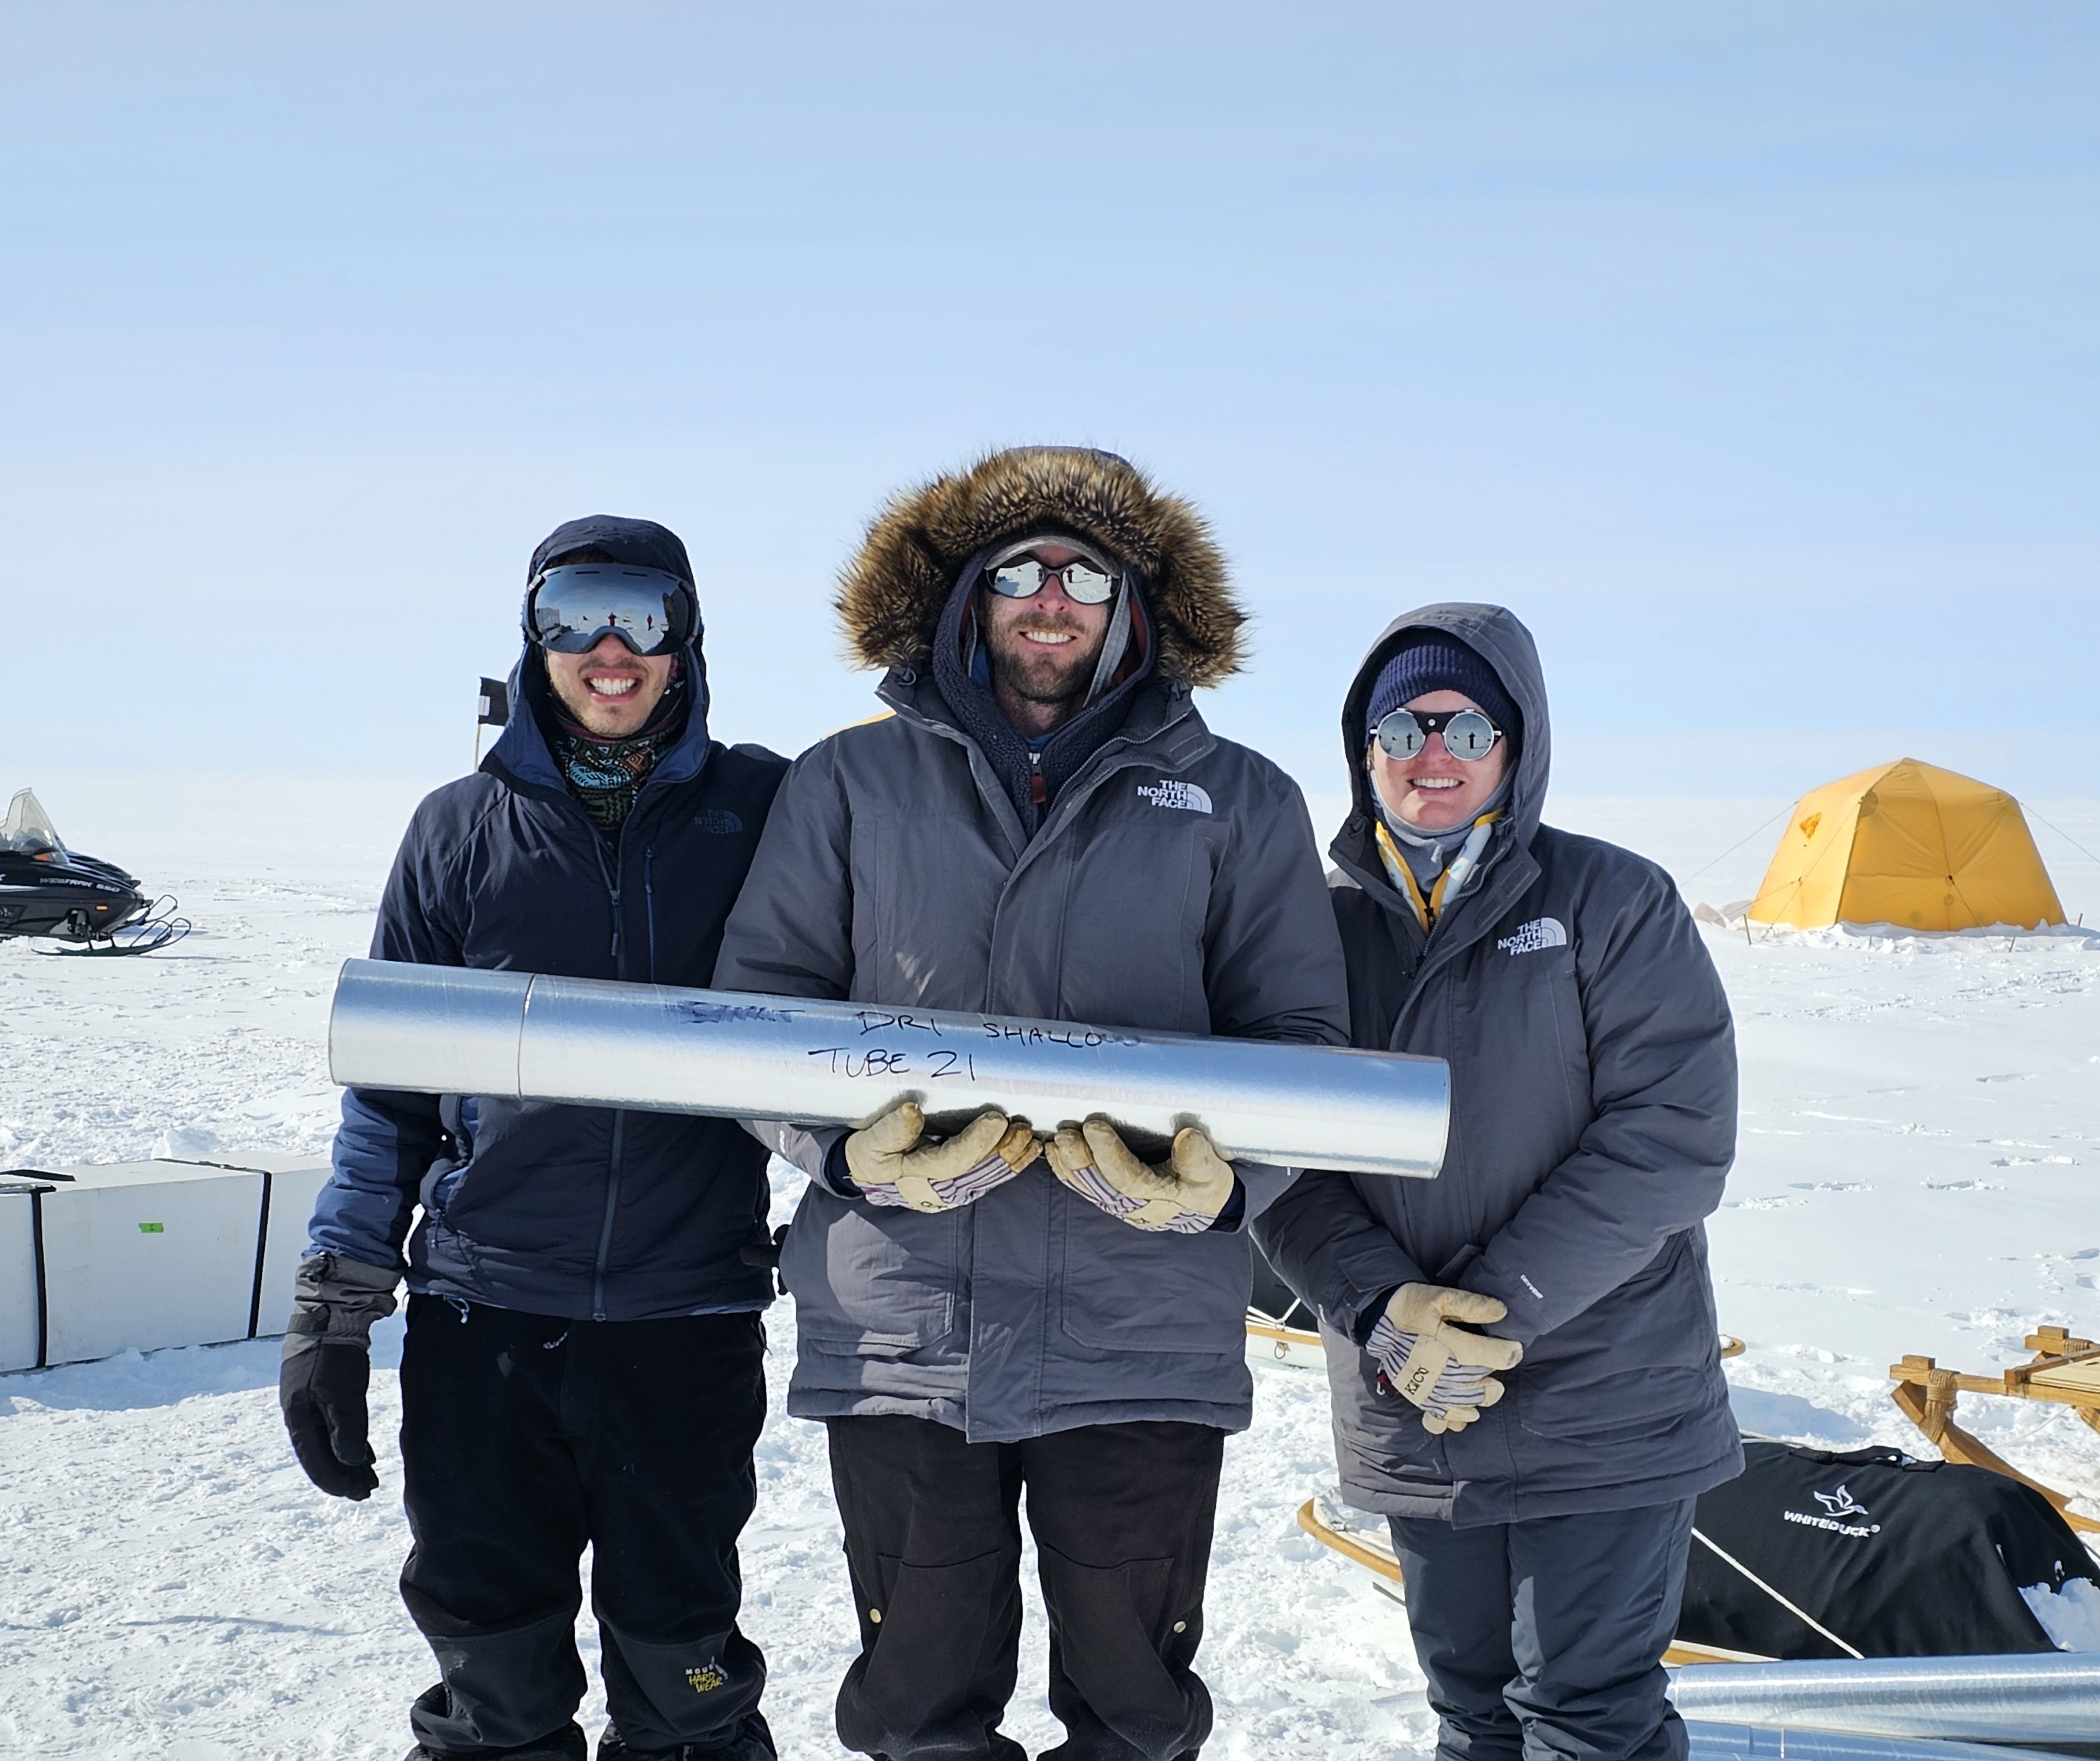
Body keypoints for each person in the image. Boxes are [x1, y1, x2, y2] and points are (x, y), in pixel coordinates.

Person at [712, 445, 1349, 1761]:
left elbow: (1302, 1046)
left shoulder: (1238, 802)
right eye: (1019, 570)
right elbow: (756, 1017)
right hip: (905, 1331)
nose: (1049, 598)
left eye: (1085, 573)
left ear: (1133, 606)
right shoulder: (846, 784)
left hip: (1137, 1334)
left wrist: (1224, 1186)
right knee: (916, 1712)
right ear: (965, 596)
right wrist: (847, 1158)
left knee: (1133, 1715)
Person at [279, 517, 787, 1761]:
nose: (608, 649)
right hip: (485, 1326)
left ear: (688, 639)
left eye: (643, 615)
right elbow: (389, 1094)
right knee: (493, 1677)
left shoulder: (765, 808)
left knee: (686, 1674)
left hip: (685, 1326)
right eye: (574, 613)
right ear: (531, 634)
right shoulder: (458, 828)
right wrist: (335, 1301)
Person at [1255, 603, 1742, 1761]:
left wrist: (1492, 1313)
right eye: (1402, 726)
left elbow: (1670, 1137)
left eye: (1465, 729)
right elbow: (1278, 1163)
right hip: (1415, 1393)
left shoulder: (1609, 903)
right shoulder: (1305, 929)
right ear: (1360, 747)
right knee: (1468, 1713)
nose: (1432, 755)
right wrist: (1383, 1311)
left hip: (1600, 1392)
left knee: (1587, 1718)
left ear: (1514, 749)